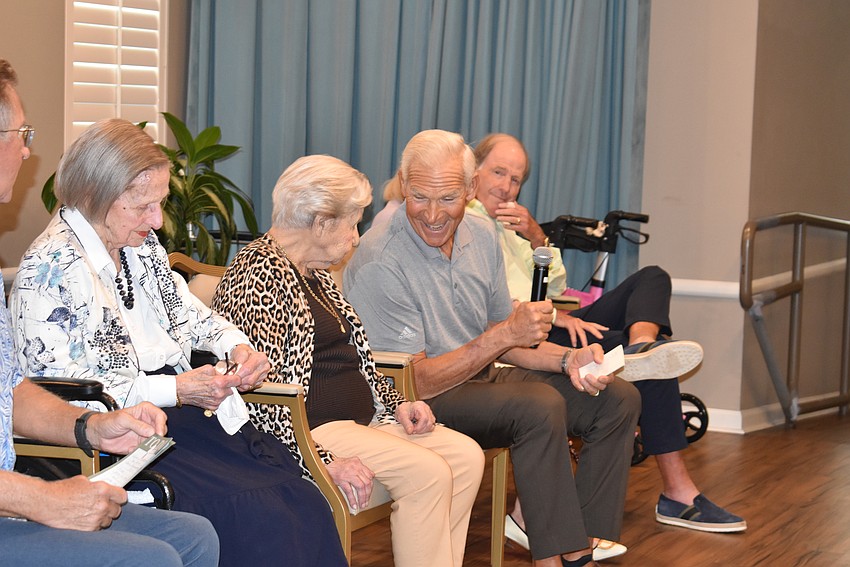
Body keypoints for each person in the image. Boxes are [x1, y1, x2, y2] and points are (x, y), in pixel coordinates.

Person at [9, 117, 347, 566]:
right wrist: (178, 389)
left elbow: (192, 317)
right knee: (257, 513)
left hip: (185, 415)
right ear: (96, 197)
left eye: (160, 203)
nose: (157, 219)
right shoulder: (48, 271)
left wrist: (235, 346)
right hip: (127, 429)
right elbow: (69, 393)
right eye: (143, 206)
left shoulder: (140, 246)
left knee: (299, 497)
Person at [344, 129, 642, 567]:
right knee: (537, 405)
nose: (431, 214)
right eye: (420, 196)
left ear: (469, 191)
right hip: (416, 398)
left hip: (483, 378)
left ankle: (579, 542)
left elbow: (509, 335)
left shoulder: (481, 235)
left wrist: (567, 359)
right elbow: (414, 380)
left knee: (616, 399)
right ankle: (554, 557)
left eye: (447, 198)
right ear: (404, 187)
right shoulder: (380, 260)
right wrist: (502, 337)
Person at [212, 154, 485, 567]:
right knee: (428, 471)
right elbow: (259, 398)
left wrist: (398, 406)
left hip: (361, 422)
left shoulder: (312, 271)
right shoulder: (258, 275)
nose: (357, 237)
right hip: (314, 432)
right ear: (321, 222)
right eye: (353, 222)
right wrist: (323, 461)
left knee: (465, 456)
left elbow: (356, 359)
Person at [0, 57, 219, 567]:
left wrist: (90, 428)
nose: (29, 149)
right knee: (156, 558)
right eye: (21, 132)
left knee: (195, 537)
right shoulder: (53, 263)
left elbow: (11, 392)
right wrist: (43, 499)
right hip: (14, 500)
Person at [468, 132, 746, 533]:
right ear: (473, 172)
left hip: (556, 320)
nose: (507, 186)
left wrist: (535, 236)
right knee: (653, 370)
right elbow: (494, 306)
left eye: (516, 178)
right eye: (498, 172)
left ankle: (640, 346)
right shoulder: (466, 224)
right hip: (528, 339)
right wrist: (558, 316)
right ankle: (677, 492)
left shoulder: (511, 227)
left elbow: (558, 288)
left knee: (652, 277)